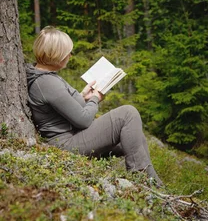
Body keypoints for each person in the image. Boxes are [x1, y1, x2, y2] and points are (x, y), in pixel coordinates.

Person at [26, 26, 162, 185]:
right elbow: (83, 120)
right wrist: (95, 98)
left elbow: (62, 106)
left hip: (71, 137)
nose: (70, 55)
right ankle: (144, 181)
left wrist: (84, 97)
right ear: (56, 55)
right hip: (66, 145)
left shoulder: (44, 76)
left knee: (135, 136)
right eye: (67, 52)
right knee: (128, 114)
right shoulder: (46, 82)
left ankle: (152, 182)